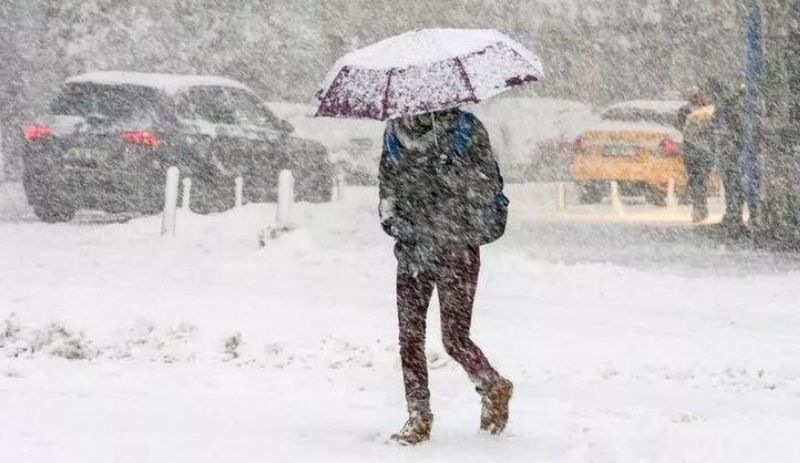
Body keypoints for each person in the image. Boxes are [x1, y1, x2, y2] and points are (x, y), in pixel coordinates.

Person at [378, 108, 512, 445]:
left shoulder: (465, 129)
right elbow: (387, 193)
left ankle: (492, 384)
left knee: (454, 338)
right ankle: (418, 416)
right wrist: (397, 224)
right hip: (413, 249)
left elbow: (489, 183)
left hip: (458, 247)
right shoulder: (395, 133)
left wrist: (453, 177)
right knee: (410, 337)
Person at [708, 79, 748, 235]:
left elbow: (717, 129)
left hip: (731, 152)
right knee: (736, 186)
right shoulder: (732, 104)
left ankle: (733, 217)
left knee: (733, 186)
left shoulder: (725, 105)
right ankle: (734, 217)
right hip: (735, 152)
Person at [680, 86, 716, 223]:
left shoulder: (708, 111)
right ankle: (699, 208)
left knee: (699, 181)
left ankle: (699, 208)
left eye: (697, 95)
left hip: (700, 151)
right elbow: (681, 127)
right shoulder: (686, 111)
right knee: (697, 181)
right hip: (695, 151)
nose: (696, 98)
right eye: (693, 95)